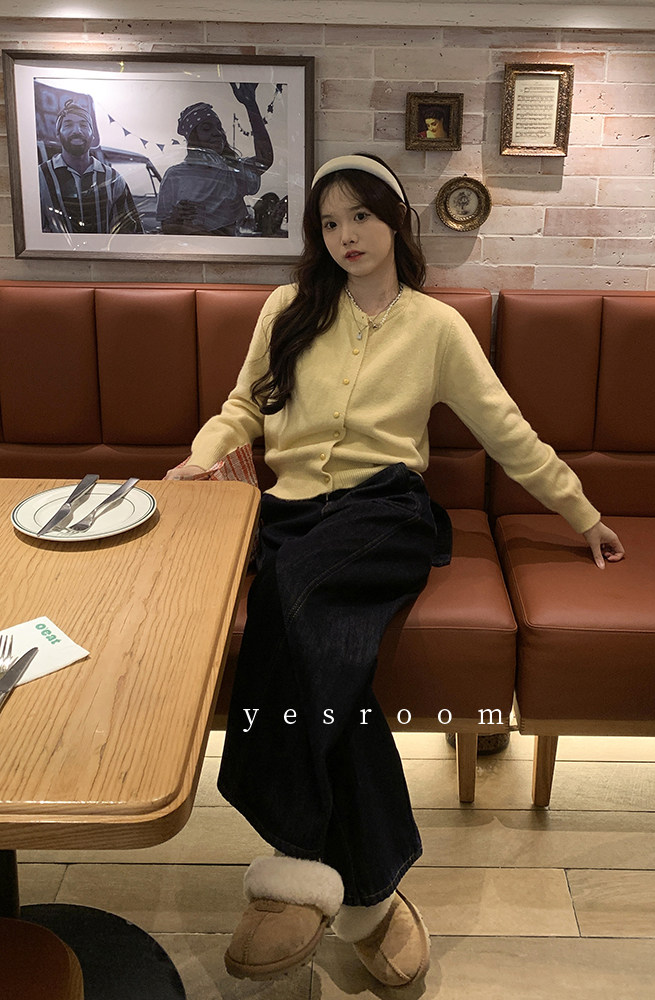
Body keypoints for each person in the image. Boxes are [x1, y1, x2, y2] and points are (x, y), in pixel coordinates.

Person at [165, 153, 625, 988]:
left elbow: (505, 428)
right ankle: (372, 897)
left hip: (385, 510)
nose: (346, 235)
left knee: (292, 598)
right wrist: (203, 458)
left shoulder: (436, 327)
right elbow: (243, 407)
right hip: (291, 510)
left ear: (394, 221)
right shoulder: (288, 308)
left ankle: (295, 868)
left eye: (362, 216)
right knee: (301, 633)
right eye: (330, 222)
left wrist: (580, 511)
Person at [156, 84, 273, 236]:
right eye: (206, 128)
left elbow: (264, 159)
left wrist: (251, 105)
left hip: (227, 249)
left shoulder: (230, 172)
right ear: (193, 137)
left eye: (219, 127)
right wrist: (176, 218)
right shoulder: (175, 175)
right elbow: (165, 227)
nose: (217, 133)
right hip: (191, 249)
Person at [38, 100, 143, 235]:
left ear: (93, 135)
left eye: (83, 125)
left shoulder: (113, 179)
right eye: (68, 125)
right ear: (58, 134)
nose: (77, 131)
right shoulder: (40, 176)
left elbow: (131, 232)